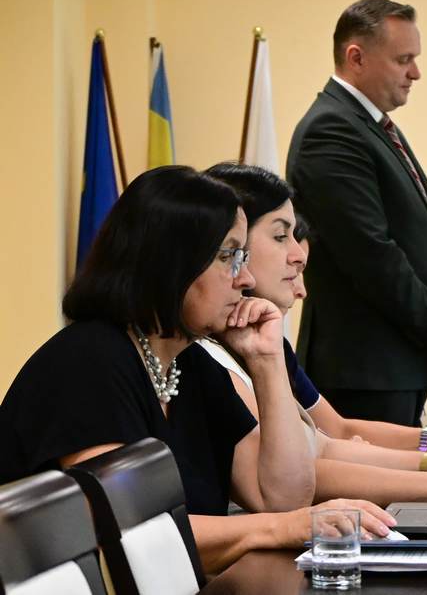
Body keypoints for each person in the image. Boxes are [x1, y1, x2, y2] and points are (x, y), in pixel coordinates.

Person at [0, 166, 395, 573]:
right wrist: (284, 527)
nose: (246, 278)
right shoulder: (87, 362)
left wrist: (267, 362)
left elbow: (281, 497)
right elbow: (132, 534)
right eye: (228, 257)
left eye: (243, 257)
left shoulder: (189, 363)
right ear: (170, 262)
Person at [203, 164, 427, 506]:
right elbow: (298, 477)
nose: (297, 259)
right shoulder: (212, 357)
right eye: (281, 236)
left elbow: (333, 438)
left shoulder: (266, 345)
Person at [287, 0, 427, 426]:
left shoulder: (368, 124)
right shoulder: (331, 130)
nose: (416, 72)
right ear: (356, 57)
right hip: (365, 371)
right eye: (403, 59)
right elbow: (371, 253)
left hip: (391, 363)